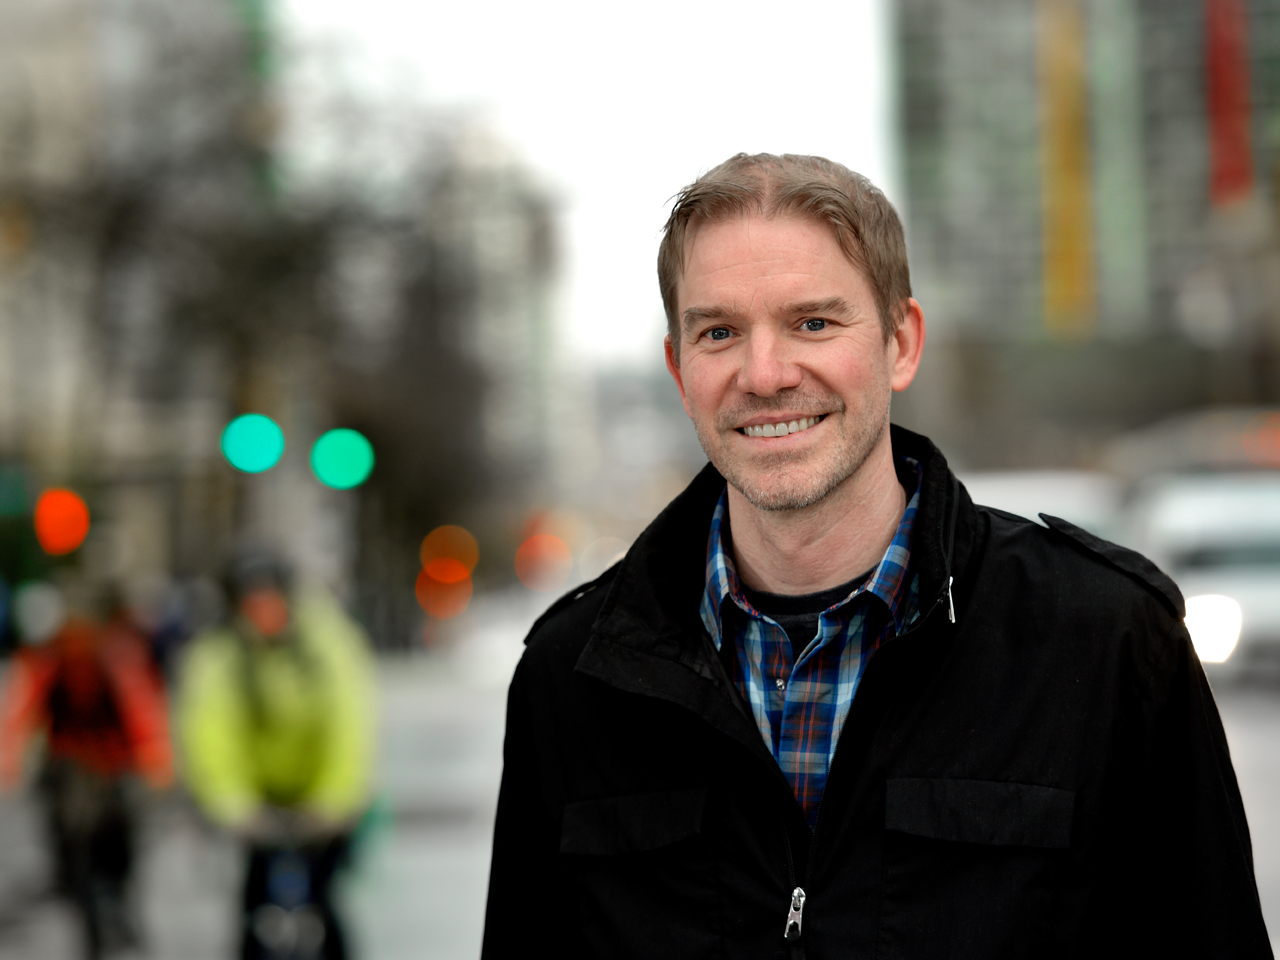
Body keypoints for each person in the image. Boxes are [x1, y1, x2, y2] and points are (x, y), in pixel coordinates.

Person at [481, 154, 1272, 959]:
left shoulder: (1109, 643)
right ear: (680, 370)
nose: (765, 374)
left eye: (813, 323)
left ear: (901, 343)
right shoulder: (568, 679)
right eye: (719, 332)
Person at [177, 553, 375, 960]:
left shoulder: (326, 642)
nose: (263, 613)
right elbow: (209, 729)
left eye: (270, 600)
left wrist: (337, 798)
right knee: (255, 911)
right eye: (251, 604)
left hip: (320, 798)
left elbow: (350, 721)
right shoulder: (220, 654)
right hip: (259, 800)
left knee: (324, 903)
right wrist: (231, 804)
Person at [0, 583, 172, 959]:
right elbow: (22, 712)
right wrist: (10, 764)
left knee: (121, 841)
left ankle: (122, 906)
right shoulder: (48, 660)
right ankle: (81, 903)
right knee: (68, 837)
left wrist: (154, 758)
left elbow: (139, 707)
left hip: (111, 763)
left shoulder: (116, 657)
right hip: (68, 763)